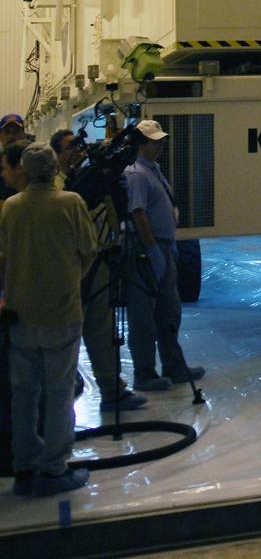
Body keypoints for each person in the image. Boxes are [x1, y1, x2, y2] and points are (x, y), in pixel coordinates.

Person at [0, 143, 97, 497]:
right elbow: (89, 251)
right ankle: (54, 468)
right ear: (55, 167)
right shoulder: (70, 203)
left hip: (21, 316)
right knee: (59, 394)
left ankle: (24, 466)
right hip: (61, 314)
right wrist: (70, 282)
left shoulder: (11, 207)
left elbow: (4, 257)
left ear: (23, 169)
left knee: (23, 394)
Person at [49, 129, 147, 413]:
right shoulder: (57, 188)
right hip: (69, 269)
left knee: (101, 330)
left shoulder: (93, 179)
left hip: (100, 258)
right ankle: (61, 395)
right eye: (70, 147)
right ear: (56, 155)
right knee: (67, 335)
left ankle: (112, 389)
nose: (77, 152)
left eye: (79, 146)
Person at [123, 120, 205, 391]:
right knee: (143, 315)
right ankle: (144, 373)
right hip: (147, 250)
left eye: (161, 141)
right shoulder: (135, 174)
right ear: (140, 144)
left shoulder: (154, 170)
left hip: (163, 247)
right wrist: (152, 251)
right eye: (154, 141)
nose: (160, 146)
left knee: (170, 311)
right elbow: (138, 214)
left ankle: (173, 364)